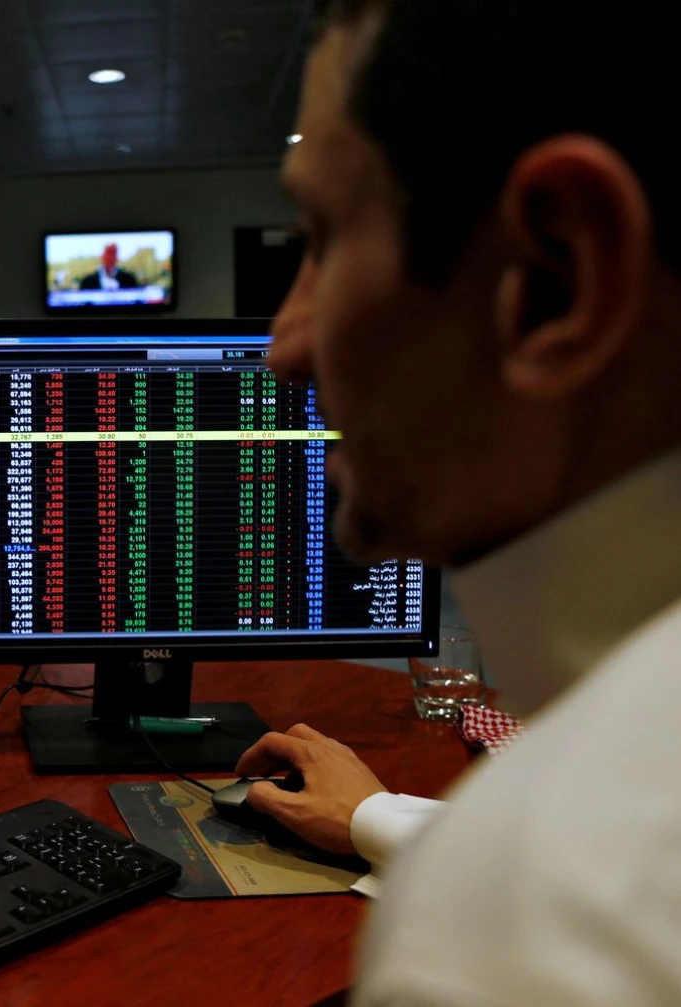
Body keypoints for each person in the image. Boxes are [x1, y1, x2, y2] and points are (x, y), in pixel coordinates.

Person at [237, 0, 681, 1002]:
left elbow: (567, 873)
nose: (285, 341)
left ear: (560, 277)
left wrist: (478, 862)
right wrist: (380, 818)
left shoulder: (529, 914)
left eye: (322, 233)